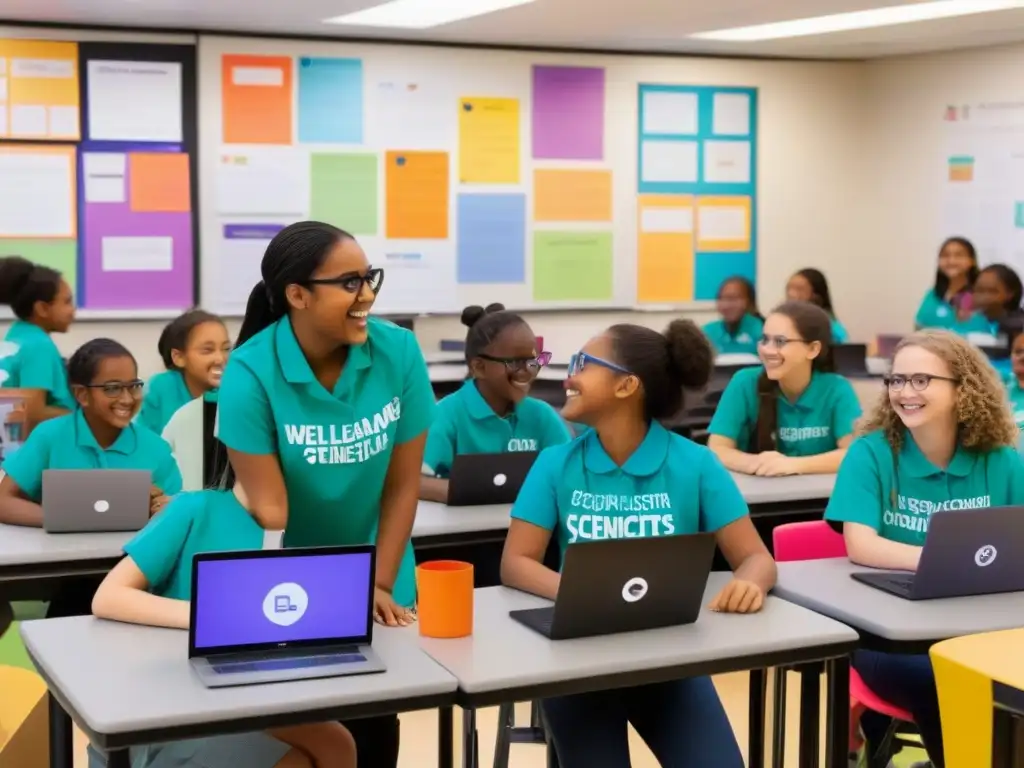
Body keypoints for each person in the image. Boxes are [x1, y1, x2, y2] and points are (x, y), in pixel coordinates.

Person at [501, 320, 776, 768]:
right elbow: (516, 561)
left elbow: (756, 558)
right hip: (576, 662)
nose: (569, 375)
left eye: (584, 364)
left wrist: (751, 583)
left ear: (627, 385)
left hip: (669, 661)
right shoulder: (556, 463)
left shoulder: (695, 463)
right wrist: (583, 597)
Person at [215, 221, 435, 768]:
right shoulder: (249, 372)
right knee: (314, 731)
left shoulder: (399, 352)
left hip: (380, 572)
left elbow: (403, 484)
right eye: (350, 283)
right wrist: (342, 593)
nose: (368, 296)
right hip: (287, 583)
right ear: (297, 295)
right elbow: (272, 513)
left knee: (376, 727)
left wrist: (378, 581)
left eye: (370, 279)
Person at [825, 329, 1024, 768]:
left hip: (984, 629)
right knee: (947, 679)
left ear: (962, 390)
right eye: (897, 380)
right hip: (890, 640)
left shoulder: (1003, 460)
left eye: (921, 380)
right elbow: (861, 545)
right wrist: (948, 562)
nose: (904, 392)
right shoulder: (870, 454)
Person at [90, 463, 356, 768]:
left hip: (256, 693)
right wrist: (212, 617)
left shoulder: (307, 527)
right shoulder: (195, 508)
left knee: (338, 744)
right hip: (178, 703)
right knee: (299, 760)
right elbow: (107, 596)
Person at [0, 338, 182, 528]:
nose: (127, 399)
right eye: (113, 389)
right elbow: (3, 501)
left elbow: (179, 510)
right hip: (63, 554)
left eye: (133, 386)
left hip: (133, 555)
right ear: (82, 395)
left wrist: (165, 509)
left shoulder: (156, 448)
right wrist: (64, 517)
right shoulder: (50, 437)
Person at [420, 304, 571, 502]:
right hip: (465, 528)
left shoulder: (542, 415)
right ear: (479, 367)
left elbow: (571, 475)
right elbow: (415, 482)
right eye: (515, 362)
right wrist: (477, 492)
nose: (527, 370)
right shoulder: (446, 415)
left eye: (534, 361)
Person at [707, 301, 862, 476]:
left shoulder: (836, 389)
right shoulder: (744, 382)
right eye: (765, 340)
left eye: (780, 341)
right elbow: (717, 447)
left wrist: (792, 465)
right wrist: (754, 463)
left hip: (823, 498)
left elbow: (854, 454)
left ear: (812, 349)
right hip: (757, 498)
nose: (767, 350)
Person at [0, 256, 76, 418]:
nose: (73, 310)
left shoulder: (18, 334)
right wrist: (85, 418)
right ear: (42, 308)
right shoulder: (38, 346)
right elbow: (33, 413)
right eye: (67, 302)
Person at [137, 309, 231, 435]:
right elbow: (141, 441)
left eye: (226, 349)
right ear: (179, 357)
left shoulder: (236, 389)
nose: (220, 359)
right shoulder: (159, 389)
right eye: (208, 350)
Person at [955, 263, 1024, 377]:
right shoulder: (966, 322)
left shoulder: (1019, 325)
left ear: (1010, 293)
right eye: (979, 290)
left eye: (992, 291)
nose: (983, 297)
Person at [914, 237, 978, 330]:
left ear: (972, 261)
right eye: (945, 255)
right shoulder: (932, 294)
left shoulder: (979, 297)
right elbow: (919, 326)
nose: (951, 261)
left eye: (959, 255)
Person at [703, 275, 764, 356]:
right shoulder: (707, 332)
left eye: (732, 299)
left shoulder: (762, 330)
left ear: (748, 302)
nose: (726, 305)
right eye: (721, 298)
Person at [786, 267, 849, 343]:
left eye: (799, 289)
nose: (791, 294)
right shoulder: (782, 321)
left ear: (816, 296)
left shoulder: (832, 329)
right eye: (789, 288)